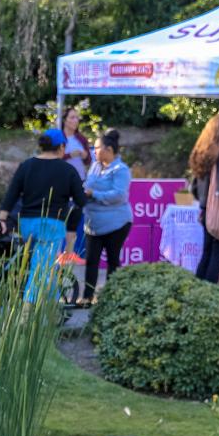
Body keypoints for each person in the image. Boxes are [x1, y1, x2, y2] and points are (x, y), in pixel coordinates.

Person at [0, 129, 88, 302]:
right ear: (61, 147)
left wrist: (2, 219)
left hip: (26, 225)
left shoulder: (26, 166)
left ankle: (53, 310)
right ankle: (27, 316)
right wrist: (71, 228)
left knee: (44, 266)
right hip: (51, 225)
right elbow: (80, 201)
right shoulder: (68, 170)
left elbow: (11, 194)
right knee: (41, 270)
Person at [80, 129, 132, 306]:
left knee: (112, 261)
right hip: (93, 223)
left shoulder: (121, 169)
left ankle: (110, 299)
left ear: (108, 149)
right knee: (91, 260)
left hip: (117, 223)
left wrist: (94, 193)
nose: (93, 151)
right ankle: (87, 296)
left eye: (96, 148)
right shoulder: (95, 165)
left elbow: (119, 195)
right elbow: (87, 184)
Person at [187, 114, 219, 284]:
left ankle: (197, 293)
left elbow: (194, 188)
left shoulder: (201, 153)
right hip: (218, 212)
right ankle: (208, 297)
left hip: (203, 211)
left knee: (207, 254)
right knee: (217, 257)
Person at [60, 105, 90, 179]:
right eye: (72, 117)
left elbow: (88, 161)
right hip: (62, 180)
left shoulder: (82, 138)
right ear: (64, 120)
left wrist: (85, 156)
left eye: (77, 118)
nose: (76, 120)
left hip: (79, 179)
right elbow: (52, 159)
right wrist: (69, 155)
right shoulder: (58, 138)